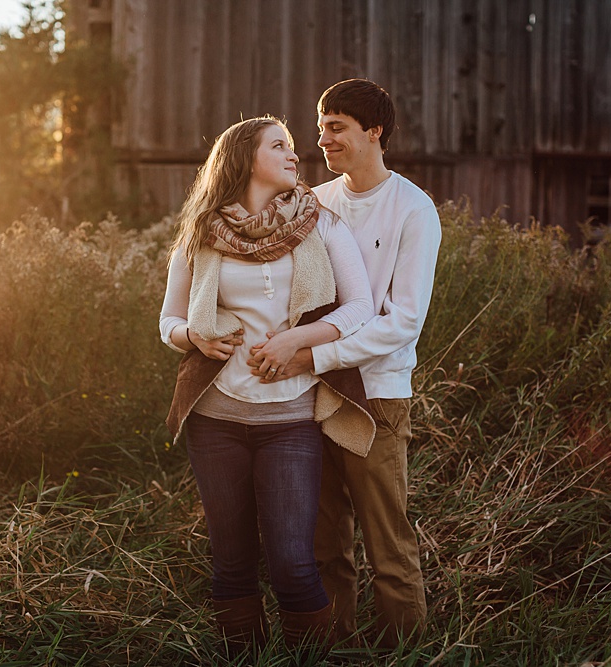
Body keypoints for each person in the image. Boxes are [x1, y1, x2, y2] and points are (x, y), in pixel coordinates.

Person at [159, 116, 376, 655]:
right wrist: (196, 338)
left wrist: (295, 340)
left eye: (293, 147)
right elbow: (167, 322)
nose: (293, 154)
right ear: (244, 158)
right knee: (231, 561)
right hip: (215, 420)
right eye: (279, 146)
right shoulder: (201, 231)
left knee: (293, 562)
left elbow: (361, 307)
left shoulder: (319, 223)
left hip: (291, 422)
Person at [251, 79, 442, 647]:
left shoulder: (413, 209)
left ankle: (402, 650)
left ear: (374, 131)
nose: (323, 139)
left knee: (388, 540)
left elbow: (403, 321)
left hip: (377, 393)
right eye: (321, 127)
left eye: (337, 127)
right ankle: (334, 648)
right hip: (312, 391)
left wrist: (312, 355)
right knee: (324, 538)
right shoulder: (318, 203)